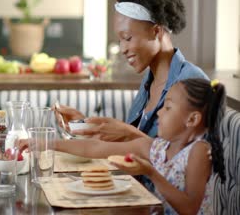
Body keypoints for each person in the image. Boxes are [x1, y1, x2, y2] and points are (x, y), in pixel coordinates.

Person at [56, 0, 208, 141]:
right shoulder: (149, 82)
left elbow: (184, 159)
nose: (122, 49)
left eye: (127, 38)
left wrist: (129, 135)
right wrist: (89, 127)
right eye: (120, 40)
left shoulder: (192, 82)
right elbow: (132, 149)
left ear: (156, 32)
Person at [41, 79, 226, 214]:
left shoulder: (199, 151)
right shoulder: (159, 148)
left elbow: (189, 208)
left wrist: (150, 172)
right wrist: (46, 144)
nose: (160, 113)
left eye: (168, 108)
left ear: (192, 119)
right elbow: (96, 148)